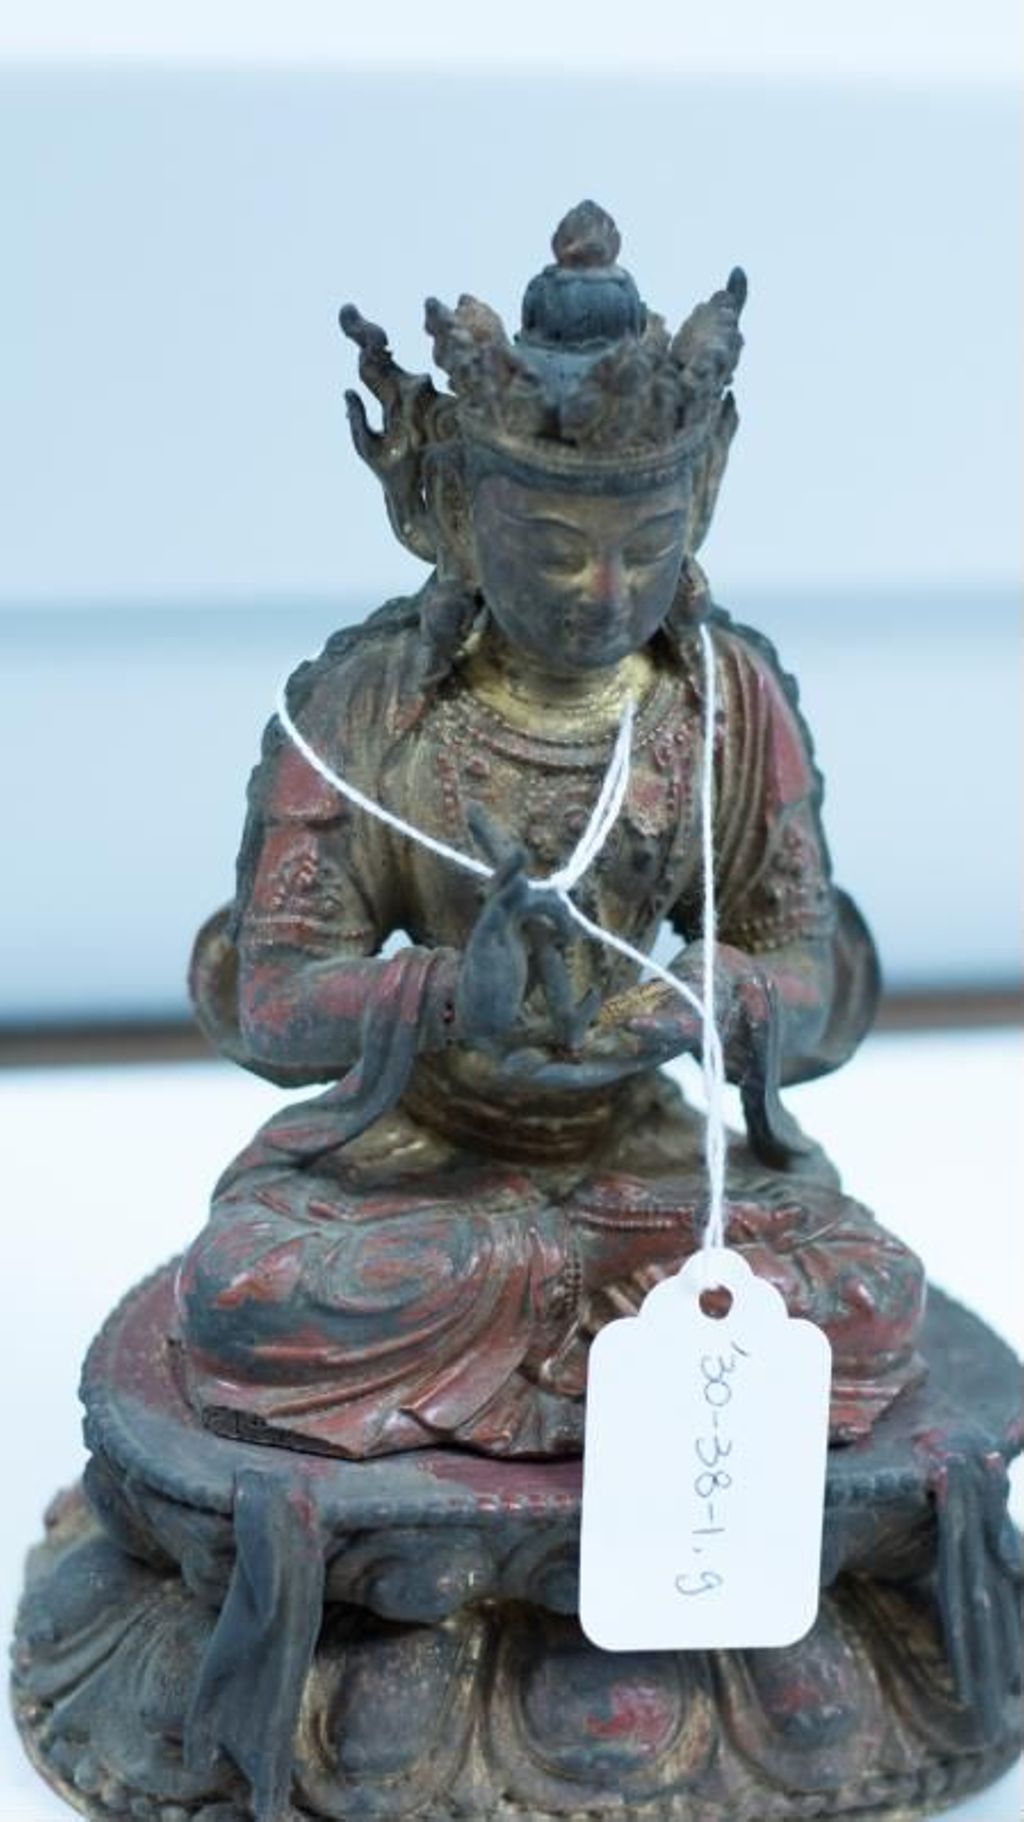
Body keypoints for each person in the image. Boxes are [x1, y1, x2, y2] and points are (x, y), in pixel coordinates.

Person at [176, 203, 924, 1458]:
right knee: (253, 1286)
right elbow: (269, 998)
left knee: (863, 1290)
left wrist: (712, 992)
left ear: (704, 499)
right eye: (554, 547)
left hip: (641, 1157)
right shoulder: (368, 712)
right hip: (417, 1163)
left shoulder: (723, 702)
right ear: (460, 518)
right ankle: (614, 1382)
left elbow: (812, 973)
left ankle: (590, 1379)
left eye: (646, 544)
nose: (605, 592)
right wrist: (444, 1000)